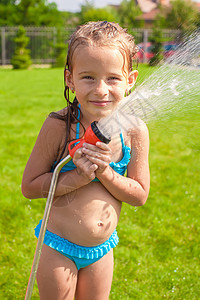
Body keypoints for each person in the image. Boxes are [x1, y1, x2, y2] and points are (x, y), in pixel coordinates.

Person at [22, 21, 150, 300]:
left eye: (113, 78)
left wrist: (105, 172)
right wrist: (78, 177)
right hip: (58, 247)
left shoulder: (134, 130)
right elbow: (30, 187)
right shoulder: (59, 125)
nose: (101, 90)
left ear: (130, 80)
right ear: (70, 78)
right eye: (88, 77)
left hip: (101, 249)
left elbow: (139, 195)